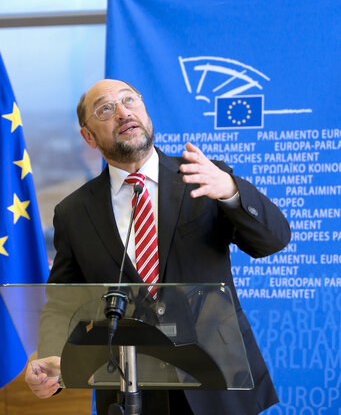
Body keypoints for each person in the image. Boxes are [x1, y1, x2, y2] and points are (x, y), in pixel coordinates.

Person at [25, 79, 291, 415]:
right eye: (105, 109)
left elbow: (274, 240)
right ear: (88, 137)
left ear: (145, 112)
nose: (122, 112)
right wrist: (51, 356)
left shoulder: (202, 177)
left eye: (129, 100)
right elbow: (62, 303)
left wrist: (230, 191)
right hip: (131, 388)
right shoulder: (73, 212)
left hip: (218, 380)